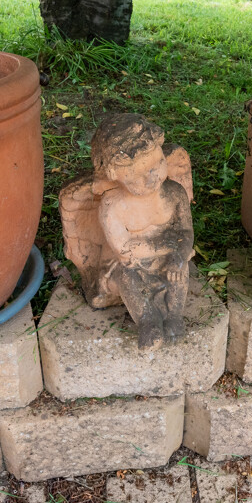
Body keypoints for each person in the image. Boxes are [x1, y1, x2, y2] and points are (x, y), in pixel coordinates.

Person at [91, 114, 195, 349]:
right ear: (114, 174)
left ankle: (173, 315)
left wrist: (177, 257)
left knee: (181, 269)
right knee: (126, 277)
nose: (153, 177)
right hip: (131, 266)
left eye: (158, 164)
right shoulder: (113, 207)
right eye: (139, 174)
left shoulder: (174, 193)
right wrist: (171, 243)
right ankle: (147, 320)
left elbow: (186, 232)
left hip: (167, 259)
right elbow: (126, 252)